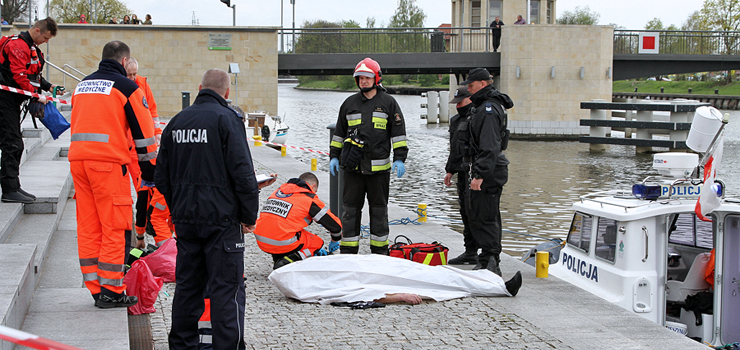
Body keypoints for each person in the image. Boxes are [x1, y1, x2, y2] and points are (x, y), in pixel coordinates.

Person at [155, 68, 267, 349]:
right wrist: (248, 215)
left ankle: (181, 345)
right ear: (227, 93)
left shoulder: (176, 123)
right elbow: (243, 174)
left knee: (187, 289)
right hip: (222, 221)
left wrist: (178, 206)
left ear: (199, 87)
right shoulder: (227, 120)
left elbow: (161, 177)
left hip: (186, 221)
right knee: (225, 290)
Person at [69, 40, 157, 308]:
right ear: (123, 62)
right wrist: (150, 172)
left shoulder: (81, 86)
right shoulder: (128, 88)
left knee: (88, 224)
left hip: (79, 162)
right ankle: (111, 289)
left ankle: (95, 286)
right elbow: (145, 137)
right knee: (116, 226)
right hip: (107, 165)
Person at [329, 57, 408, 255]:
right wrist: (334, 156)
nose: (364, 81)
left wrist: (399, 158)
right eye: (360, 78)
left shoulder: (389, 103)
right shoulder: (349, 104)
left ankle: (379, 253)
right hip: (353, 169)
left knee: (379, 212)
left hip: (379, 172)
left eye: (367, 77)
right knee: (350, 212)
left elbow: (398, 134)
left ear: (376, 78)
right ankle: (348, 253)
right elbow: (339, 133)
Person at [455, 68, 513, 276]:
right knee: (479, 213)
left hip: (488, 171)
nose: (468, 89)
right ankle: (485, 258)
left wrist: (479, 175)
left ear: (482, 83)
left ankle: (490, 261)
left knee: (487, 215)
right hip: (484, 168)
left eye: (471, 85)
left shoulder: (488, 108)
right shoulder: (482, 106)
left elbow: (489, 146)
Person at [0, 17, 61, 203]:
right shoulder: (18, 46)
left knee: (14, 142)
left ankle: (14, 186)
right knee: (12, 143)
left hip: (12, 101)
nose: (46, 41)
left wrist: (48, 86)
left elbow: (32, 75)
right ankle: (9, 189)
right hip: (4, 100)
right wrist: (36, 95)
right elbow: (19, 77)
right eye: (46, 37)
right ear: (37, 31)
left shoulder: (31, 47)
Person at [254, 172, 342, 269]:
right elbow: (335, 225)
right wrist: (335, 240)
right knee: (317, 242)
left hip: (261, 239)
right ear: (313, 186)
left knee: (287, 229)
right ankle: (287, 261)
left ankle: (279, 258)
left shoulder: (278, 191)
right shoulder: (309, 198)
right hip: (281, 241)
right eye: (315, 191)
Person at [124, 57, 169, 248]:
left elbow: (153, 111)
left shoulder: (142, 84)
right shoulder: (121, 86)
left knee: (143, 190)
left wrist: (157, 133)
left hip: (141, 148)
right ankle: (141, 230)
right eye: (129, 74)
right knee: (142, 191)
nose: (133, 77)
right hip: (126, 146)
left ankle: (143, 229)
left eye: (135, 73)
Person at [445, 86, 478, 265]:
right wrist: (450, 170)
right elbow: (455, 149)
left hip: (475, 172)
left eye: (461, 102)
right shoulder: (456, 121)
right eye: (456, 103)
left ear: (470, 99)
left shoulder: (477, 118)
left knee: (477, 213)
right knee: (465, 211)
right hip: (462, 173)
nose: (458, 106)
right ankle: (470, 251)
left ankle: (487, 254)